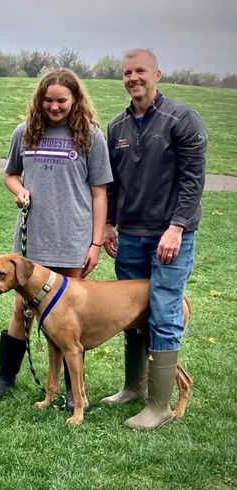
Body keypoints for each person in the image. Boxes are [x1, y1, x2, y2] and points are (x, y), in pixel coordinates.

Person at [0, 68, 113, 404]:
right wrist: (19, 190)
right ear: (39, 100)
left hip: (73, 240)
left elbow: (99, 193)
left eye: (62, 101)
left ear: (75, 100)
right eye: (48, 100)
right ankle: (4, 379)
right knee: (21, 311)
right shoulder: (25, 133)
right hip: (33, 241)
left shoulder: (91, 136)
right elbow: (10, 175)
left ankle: (73, 393)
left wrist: (95, 243)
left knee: (69, 317)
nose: (54, 107)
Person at [102, 48, 207, 430]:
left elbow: (194, 180)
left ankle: (160, 405)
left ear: (157, 74)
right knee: (131, 315)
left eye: (140, 71)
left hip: (169, 238)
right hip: (130, 236)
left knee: (164, 312)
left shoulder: (181, 119)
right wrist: (109, 224)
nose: (134, 78)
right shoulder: (117, 127)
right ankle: (134, 387)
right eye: (128, 72)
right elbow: (111, 184)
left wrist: (177, 227)